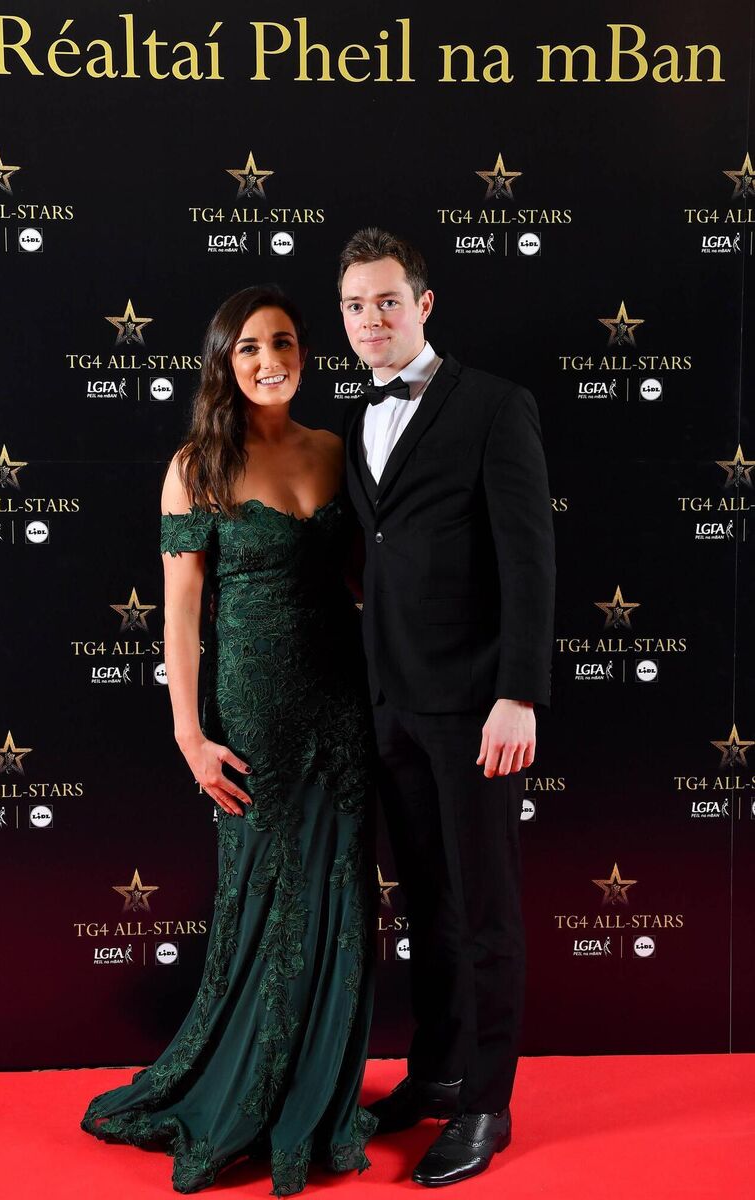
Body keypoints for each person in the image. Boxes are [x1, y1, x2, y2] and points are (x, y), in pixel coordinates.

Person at [81, 286, 377, 1196]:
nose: (267, 359)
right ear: (224, 362)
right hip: (255, 714)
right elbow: (179, 617)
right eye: (247, 347)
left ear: (304, 352)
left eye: (282, 342)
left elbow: (370, 585)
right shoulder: (196, 465)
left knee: (340, 901)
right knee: (264, 902)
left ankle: (321, 1095)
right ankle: (240, 1088)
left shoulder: (335, 450)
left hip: (344, 706)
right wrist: (189, 737)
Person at [338, 228, 556, 1187]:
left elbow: (529, 562)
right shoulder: (355, 419)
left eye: (387, 301)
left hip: (474, 709)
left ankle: (486, 1104)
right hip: (387, 706)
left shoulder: (495, 407)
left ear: (424, 304)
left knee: (484, 912)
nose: (370, 321)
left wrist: (518, 694)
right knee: (424, 902)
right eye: (353, 306)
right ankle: (433, 1075)